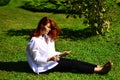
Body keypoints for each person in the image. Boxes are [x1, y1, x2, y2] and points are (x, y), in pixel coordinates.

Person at [26, 16, 113, 74]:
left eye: (50, 27)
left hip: (51, 61)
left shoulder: (45, 37)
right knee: (73, 64)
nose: (49, 29)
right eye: (48, 27)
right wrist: (51, 58)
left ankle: (98, 66)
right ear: (41, 25)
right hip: (43, 67)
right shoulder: (34, 40)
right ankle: (100, 70)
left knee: (74, 61)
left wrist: (61, 54)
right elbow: (37, 59)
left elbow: (50, 52)